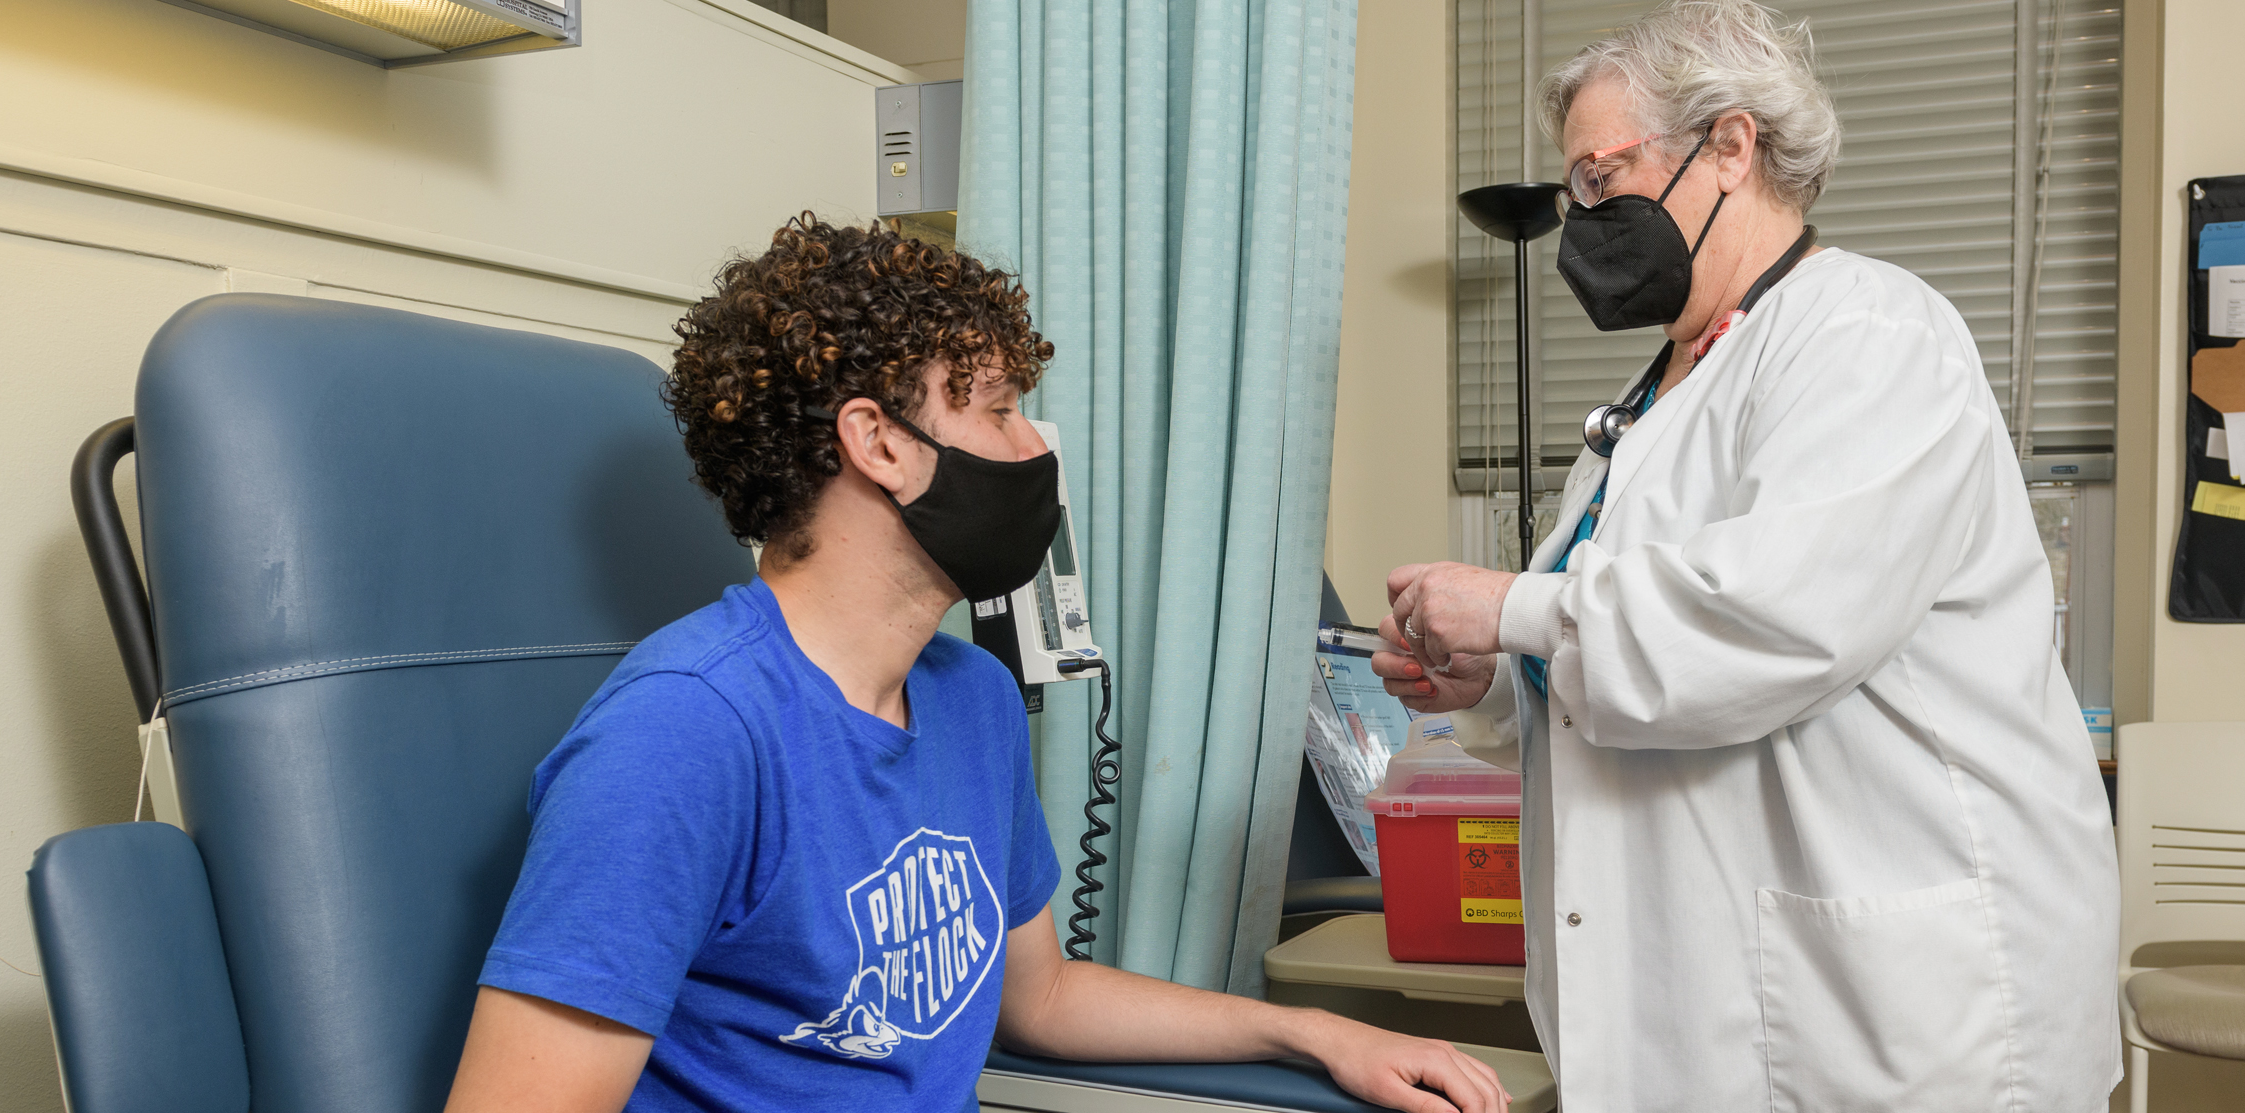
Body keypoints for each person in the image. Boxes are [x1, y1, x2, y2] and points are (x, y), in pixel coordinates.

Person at [441, 216, 1510, 1113]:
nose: (1033, 448)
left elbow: (1038, 996)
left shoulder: (969, 698)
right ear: (882, 444)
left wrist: (1315, 1035)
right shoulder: (684, 733)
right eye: (996, 408)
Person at [1374, 2, 2120, 1110]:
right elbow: (1615, 663)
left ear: (1730, 147)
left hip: (1892, 1004)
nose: (1584, 217)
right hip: (1712, 985)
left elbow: (1766, 625)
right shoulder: (1659, 396)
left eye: (1600, 177)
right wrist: (1488, 682)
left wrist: (1515, 612)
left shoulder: (1868, 336)